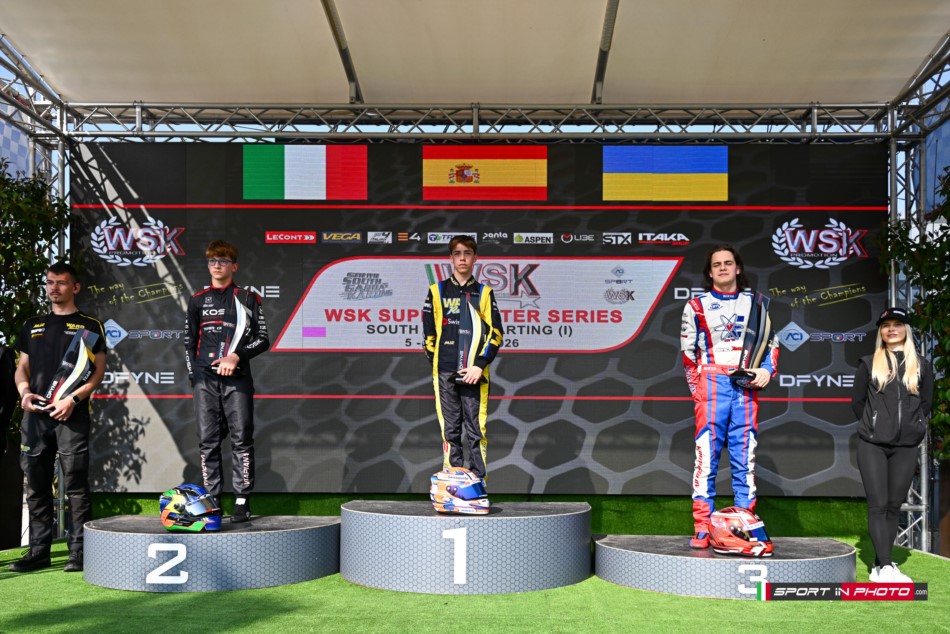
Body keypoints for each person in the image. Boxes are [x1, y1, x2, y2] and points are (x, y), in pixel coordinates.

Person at [680, 244, 778, 549]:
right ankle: (702, 527)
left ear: (738, 268)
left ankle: (744, 525)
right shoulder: (696, 305)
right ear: (710, 273)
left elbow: (771, 344)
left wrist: (767, 371)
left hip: (745, 384)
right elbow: (688, 355)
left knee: (744, 459)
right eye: (716, 264)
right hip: (711, 384)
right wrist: (699, 391)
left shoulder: (756, 304)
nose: (723, 267)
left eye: (728, 262)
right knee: (706, 459)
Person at [10, 262, 106, 573]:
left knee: (75, 485)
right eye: (50, 282)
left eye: (61, 283)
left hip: (71, 415)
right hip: (36, 415)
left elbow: (97, 373)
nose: (54, 288)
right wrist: (24, 392)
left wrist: (73, 400)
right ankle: (38, 552)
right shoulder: (32, 325)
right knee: (36, 486)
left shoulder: (89, 326)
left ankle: (79, 552)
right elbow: (22, 367)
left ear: (74, 287)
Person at [185, 241, 269, 522]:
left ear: (234, 266)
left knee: (241, 438)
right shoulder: (197, 299)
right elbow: (189, 343)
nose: (217, 265)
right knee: (207, 441)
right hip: (204, 379)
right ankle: (213, 500)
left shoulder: (248, 298)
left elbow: (263, 339)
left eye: (223, 260)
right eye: (212, 261)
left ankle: (242, 500)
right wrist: (195, 377)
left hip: (237, 378)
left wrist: (236, 356)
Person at [851, 306, 932, 583]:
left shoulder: (922, 365)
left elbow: (926, 403)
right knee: (878, 505)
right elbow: (858, 403)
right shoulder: (868, 362)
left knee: (894, 505)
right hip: (872, 445)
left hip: (906, 446)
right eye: (886, 325)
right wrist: (874, 426)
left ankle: (880, 563)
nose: (891, 329)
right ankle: (885, 566)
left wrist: (913, 426)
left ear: (906, 330)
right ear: (881, 332)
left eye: (897, 324)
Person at [422, 235, 503, 482]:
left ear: (475, 258)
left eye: (467, 253)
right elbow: (429, 337)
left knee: (476, 430)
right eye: (457, 253)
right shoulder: (436, 291)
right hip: (445, 372)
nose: (462, 259)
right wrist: (440, 365)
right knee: (450, 430)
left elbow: (496, 334)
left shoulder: (484, 292)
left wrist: (479, 366)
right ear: (450, 258)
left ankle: (478, 484)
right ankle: (454, 483)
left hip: (474, 374)